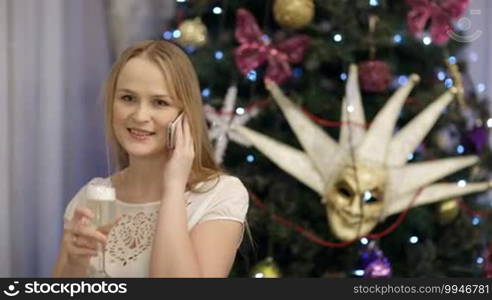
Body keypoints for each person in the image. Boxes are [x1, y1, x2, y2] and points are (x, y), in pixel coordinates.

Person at [52, 40, 250, 278]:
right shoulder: (90, 197)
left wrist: (174, 185)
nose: (140, 115)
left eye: (159, 102)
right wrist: (75, 263)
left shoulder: (221, 195)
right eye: (128, 98)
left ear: (185, 117)